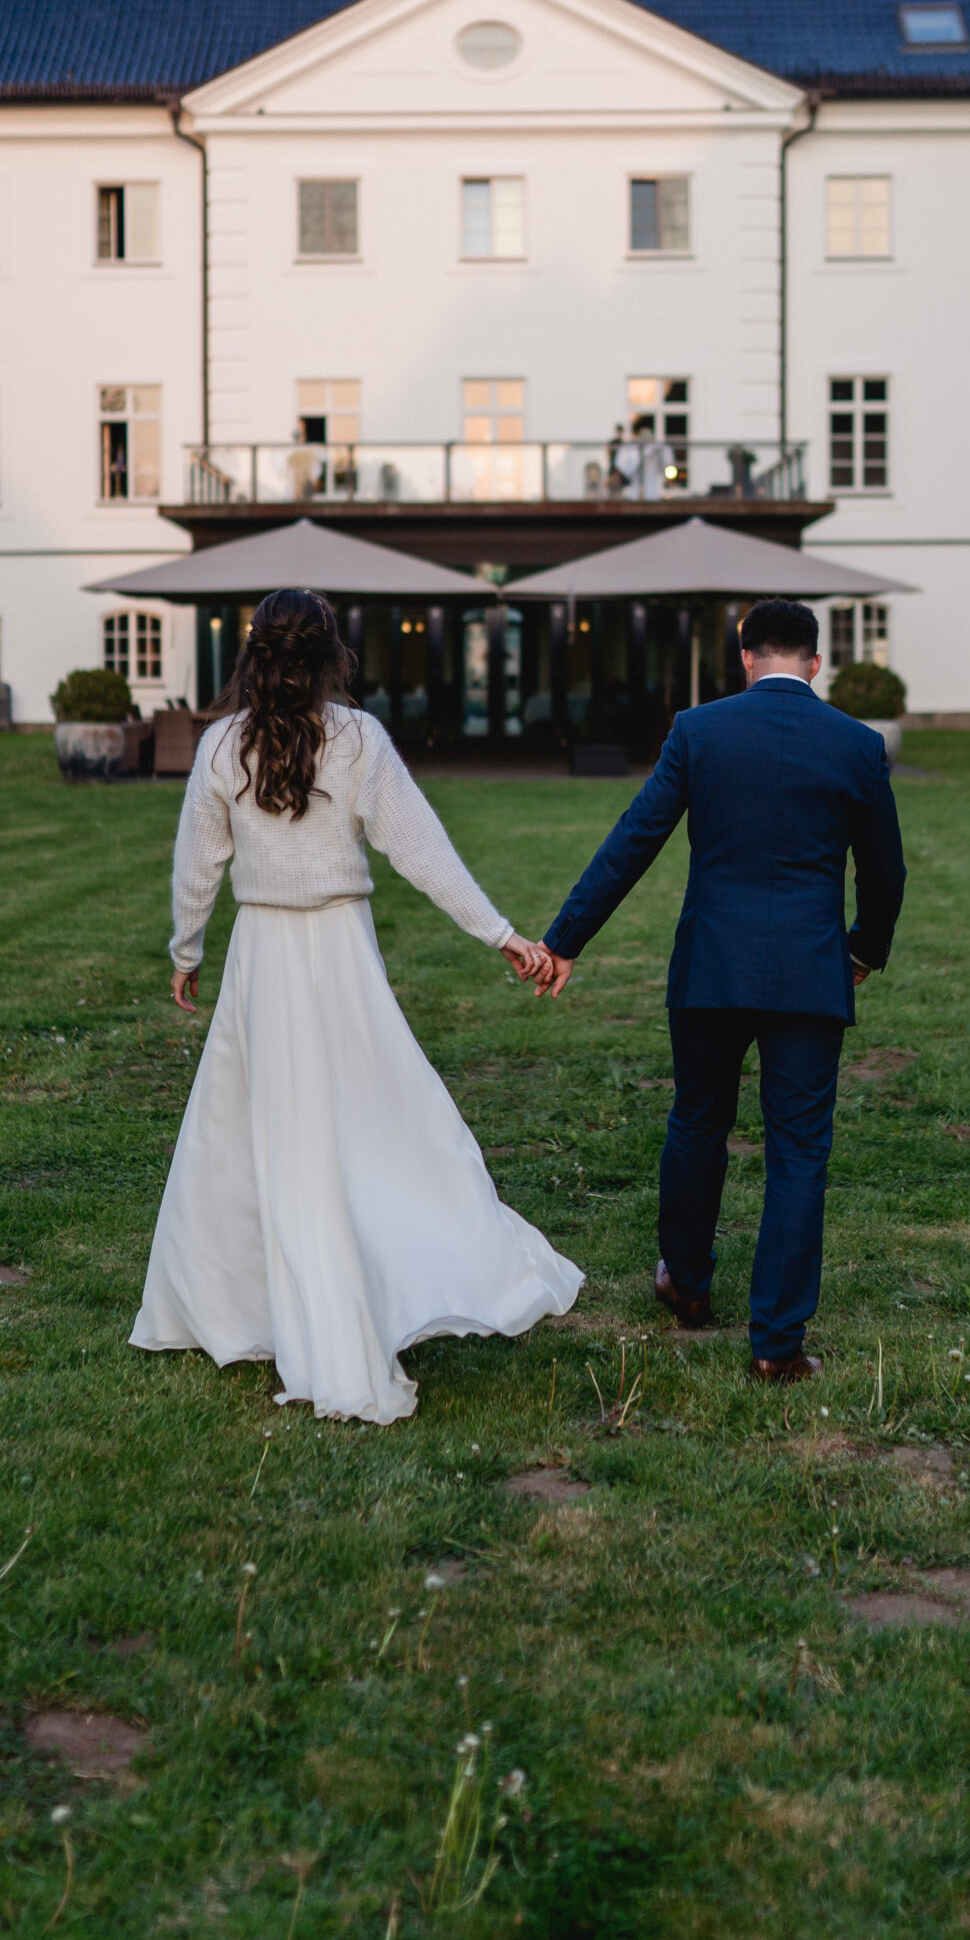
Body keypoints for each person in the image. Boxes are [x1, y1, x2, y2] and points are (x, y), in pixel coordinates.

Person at [131, 588, 582, 1423]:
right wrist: (501, 935)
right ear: (330, 653)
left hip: (267, 955)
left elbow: (199, 866)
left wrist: (186, 951)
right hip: (336, 949)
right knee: (368, 1116)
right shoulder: (356, 738)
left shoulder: (223, 744)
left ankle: (267, 1299)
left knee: (264, 1127)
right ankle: (346, 1286)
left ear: (254, 654)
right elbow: (420, 851)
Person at [525, 597, 905, 1383]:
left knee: (698, 1121)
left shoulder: (698, 731)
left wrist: (564, 939)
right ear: (814, 662)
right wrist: (862, 947)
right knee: (798, 1150)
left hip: (711, 966)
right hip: (809, 969)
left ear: (743, 658)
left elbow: (633, 839)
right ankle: (776, 1343)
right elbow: (884, 869)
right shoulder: (856, 743)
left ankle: (687, 1285)